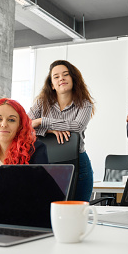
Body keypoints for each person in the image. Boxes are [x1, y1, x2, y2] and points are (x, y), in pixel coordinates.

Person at [28, 60, 95, 202]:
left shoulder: (84, 104)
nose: (61, 78)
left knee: (78, 211)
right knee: (47, 211)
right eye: (56, 77)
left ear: (73, 79)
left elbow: (77, 126)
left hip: (78, 162)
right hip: (47, 163)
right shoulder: (41, 102)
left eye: (66, 75)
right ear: (52, 85)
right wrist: (49, 131)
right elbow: (26, 127)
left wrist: (42, 121)